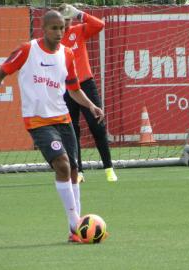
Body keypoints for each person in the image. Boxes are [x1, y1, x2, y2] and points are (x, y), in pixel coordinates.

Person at [0, 10, 105, 243]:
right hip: (37, 122)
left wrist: (92, 106)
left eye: (62, 28)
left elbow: (73, 89)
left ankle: (73, 231)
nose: (58, 32)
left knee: (74, 171)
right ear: (43, 29)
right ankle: (77, 225)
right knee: (62, 166)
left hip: (62, 119)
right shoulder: (27, 50)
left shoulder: (67, 54)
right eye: (53, 28)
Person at [58, 3, 118, 183]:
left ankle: (108, 168)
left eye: (69, 19)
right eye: (64, 19)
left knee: (97, 125)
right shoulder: (55, 38)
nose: (67, 23)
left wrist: (79, 14)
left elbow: (99, 25)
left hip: (85, 84)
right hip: (66, 88)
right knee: (72, 130)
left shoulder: (79, 30)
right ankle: (79, 171)